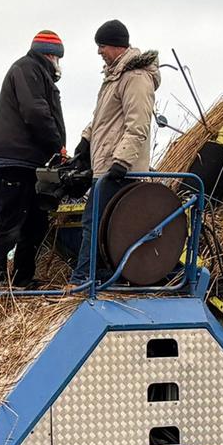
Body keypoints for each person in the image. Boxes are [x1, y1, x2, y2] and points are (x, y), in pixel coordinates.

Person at [0, 30, 68, 287]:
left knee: (34, 222)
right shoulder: (28, 69)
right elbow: (35, 112)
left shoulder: (35, 72)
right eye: (57, 57)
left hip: (28, 162)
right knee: (10, 221)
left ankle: (23, 278)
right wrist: (57, 146)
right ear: (51, 55)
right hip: (14, 161)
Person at [76, 19, 160, 281]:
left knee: (99, 223)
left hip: (121, 169)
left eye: (102, 46)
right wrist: (85, 140)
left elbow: (138, 124)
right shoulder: (114, 77)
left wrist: (121, 162)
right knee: (100, 225)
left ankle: (84, 278)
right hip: (104, 165)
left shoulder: (135, 78)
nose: (99, 52)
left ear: (116, 46)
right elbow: (103, 118)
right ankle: (99, 274)